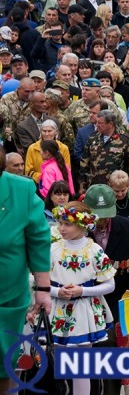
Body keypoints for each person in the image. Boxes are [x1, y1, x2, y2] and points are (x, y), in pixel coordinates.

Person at [49, 201, 117, 395]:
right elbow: (38, 281)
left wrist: (82, 291)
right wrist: (57, 292)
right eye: (60, 223)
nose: (62, 228)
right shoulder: (52, 249)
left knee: (80, 368)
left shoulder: (94, 251)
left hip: (85, 312)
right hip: (58, 310)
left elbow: (110, 285)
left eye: (67, 224)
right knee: (61, 366)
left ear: (83, 225)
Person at [0, 153, 53, 393]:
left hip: (7, 298)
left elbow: (38, 239)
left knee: (4, 364)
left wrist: (43, 289)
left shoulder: (21, 189)